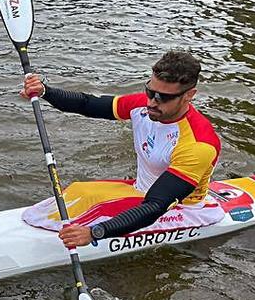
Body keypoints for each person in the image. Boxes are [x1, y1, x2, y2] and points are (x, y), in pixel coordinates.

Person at [20, 50, 223, 247]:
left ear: (189, 95)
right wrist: (44, 91)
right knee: (76, 191)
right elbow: (86, 104)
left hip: (178, 208)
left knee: (86, 217)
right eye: (150, 91)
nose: (152, 102)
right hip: (140, 191)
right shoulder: (142, 105)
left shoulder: (198, 144)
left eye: (163, 97)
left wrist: (94, 233)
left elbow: (155, 206)